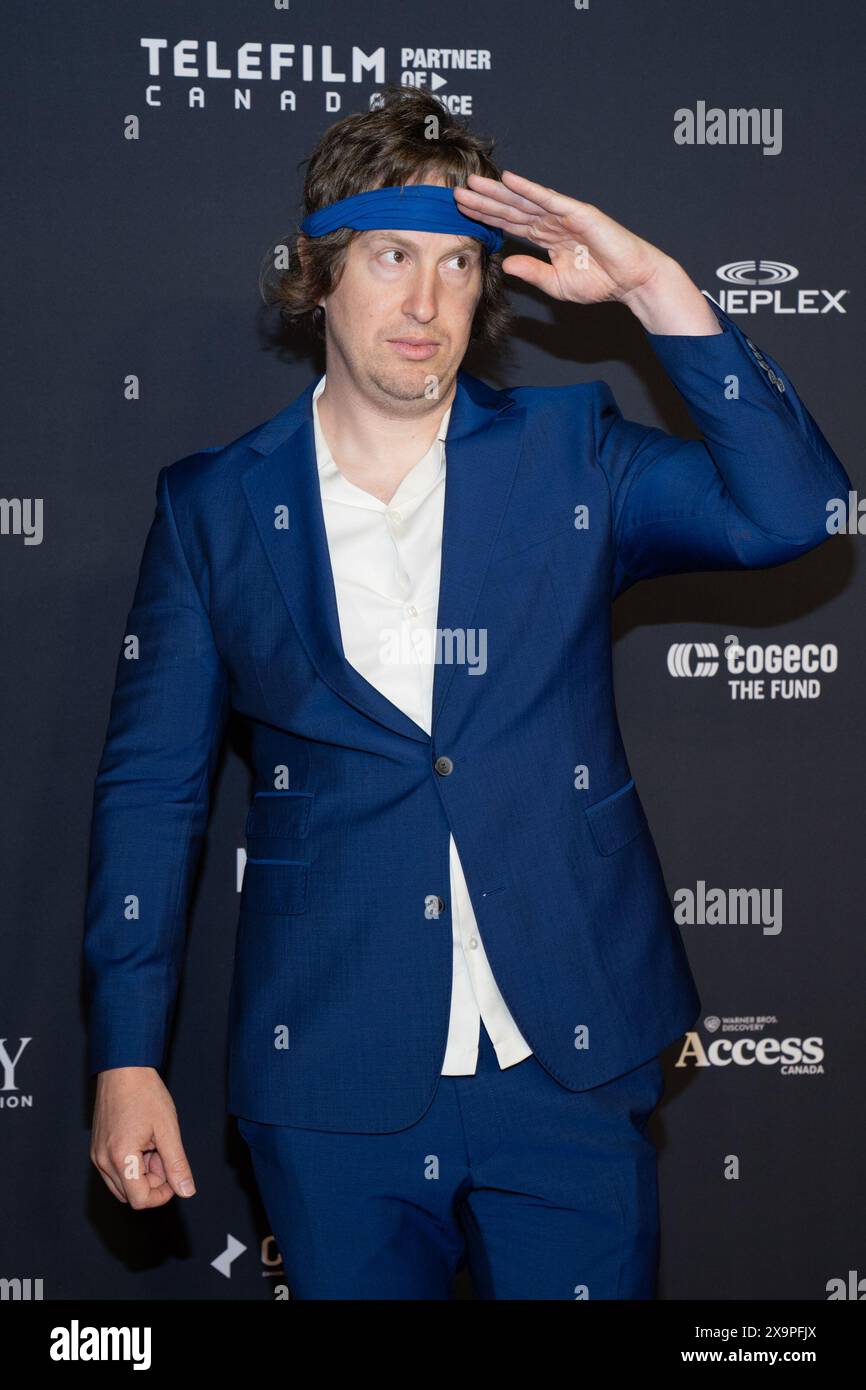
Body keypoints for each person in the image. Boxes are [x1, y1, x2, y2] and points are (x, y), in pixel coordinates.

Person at [84, 85, 850, 1299]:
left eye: (457, 262)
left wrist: (653, 285)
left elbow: (795, 510)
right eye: (391, 256)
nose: (426, 303)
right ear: (320, 272)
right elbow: (152, 795)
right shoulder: (214, 505)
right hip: (331, 1070)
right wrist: (126, 1056)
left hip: (567, 1056)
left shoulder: (572, 453)